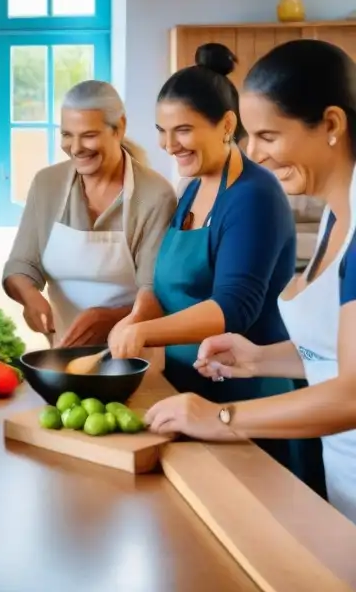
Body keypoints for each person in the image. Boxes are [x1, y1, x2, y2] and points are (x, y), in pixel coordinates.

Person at [147, 39, 356, 521]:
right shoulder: (332, 216)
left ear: (330, 124)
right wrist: (261, 358)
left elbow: (351, 391)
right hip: (341, 476)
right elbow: (332, 356)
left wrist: (221, 418)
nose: (254, 153)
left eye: (268, 136)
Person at [108, 45, 318, 483]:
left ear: (226, 124)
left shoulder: (253, 196)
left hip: (249, 399)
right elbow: (171, 284)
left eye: (182, 130)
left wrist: (144, 333)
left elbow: (233, 308)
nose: (168, 145)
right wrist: (141, 310)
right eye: (161, 131)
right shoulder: (191, 186)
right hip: (189, 391)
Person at [2, 81, 177, 346]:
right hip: (63, 356)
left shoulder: (155, 195)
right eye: (67, 135)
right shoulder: (46, 184)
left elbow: (157, 292)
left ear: (119, 128)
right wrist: (29, 295)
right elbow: (21, 265)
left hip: (133, 357)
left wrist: (111, 319)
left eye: (88, 135)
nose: (75, 147)